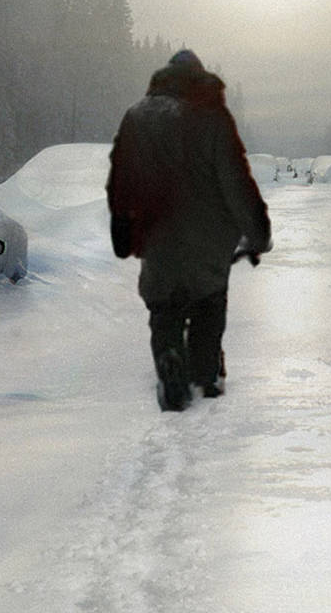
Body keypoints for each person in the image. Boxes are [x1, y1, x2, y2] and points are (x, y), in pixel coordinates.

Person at [107, 49, 271, 411]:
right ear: (199, 78)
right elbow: (235, 181)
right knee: (208, 304)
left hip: (157, 236)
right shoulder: (212, 116)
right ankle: (205, 375)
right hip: (209, 240)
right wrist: (258, 233)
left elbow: (121, 175)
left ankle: (169, 359)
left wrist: (121, 222)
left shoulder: (137, 116)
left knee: (164, 307)